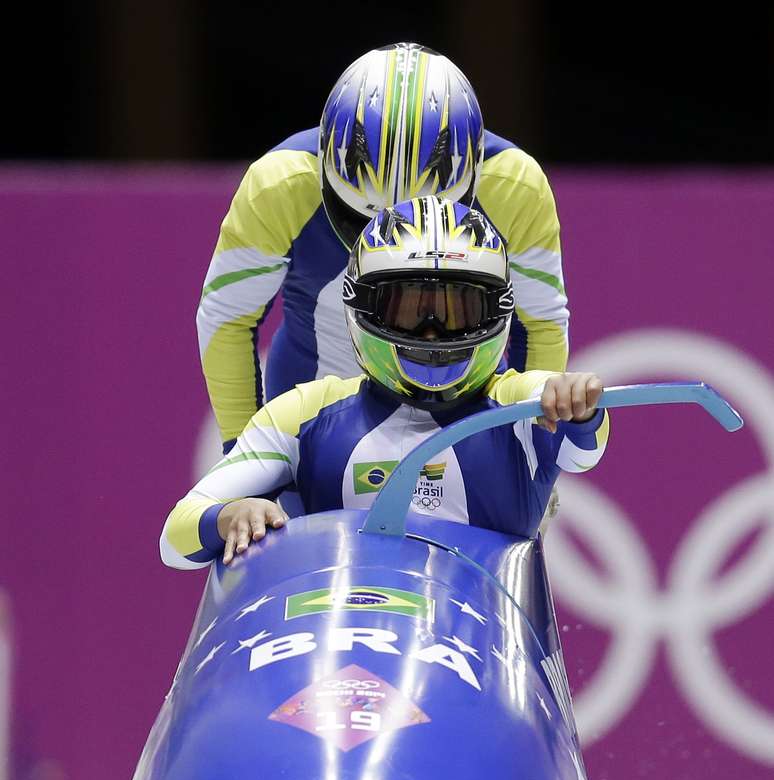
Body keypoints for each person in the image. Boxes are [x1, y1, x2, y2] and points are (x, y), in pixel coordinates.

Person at [162, 198, 604, 570]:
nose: (432, 332)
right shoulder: (303, 412)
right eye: (410, 309)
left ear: (496, 312)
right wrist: (230, 516)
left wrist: (578, 403)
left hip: (484, 652)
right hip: (337, 648)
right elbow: (175, 538)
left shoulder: (519, 405)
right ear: (364, 308)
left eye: (456, 312)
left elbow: (586, 447)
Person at [197, 42, 570, 455]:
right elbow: (227, 320)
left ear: (475, 174)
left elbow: (539, 326)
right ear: (324, 165)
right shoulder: (279, 184)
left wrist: (533, 451)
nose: (382, 246)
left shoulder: (515, 187)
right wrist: (245, 459)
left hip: (467, 422)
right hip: (314, 418)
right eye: (358, 220)